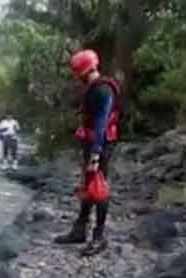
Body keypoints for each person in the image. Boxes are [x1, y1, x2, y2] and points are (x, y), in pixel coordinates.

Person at [53, 49, 123, 257]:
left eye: (77, 74)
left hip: (100, 145)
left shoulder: (103, 91)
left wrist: (96, 153)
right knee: (87, 185)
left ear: (83, 72)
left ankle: (99, 237)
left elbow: (101, 123)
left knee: (99, 188)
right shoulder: (95, 89)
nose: (77, 78)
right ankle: (79, 230)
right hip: (92, 143)